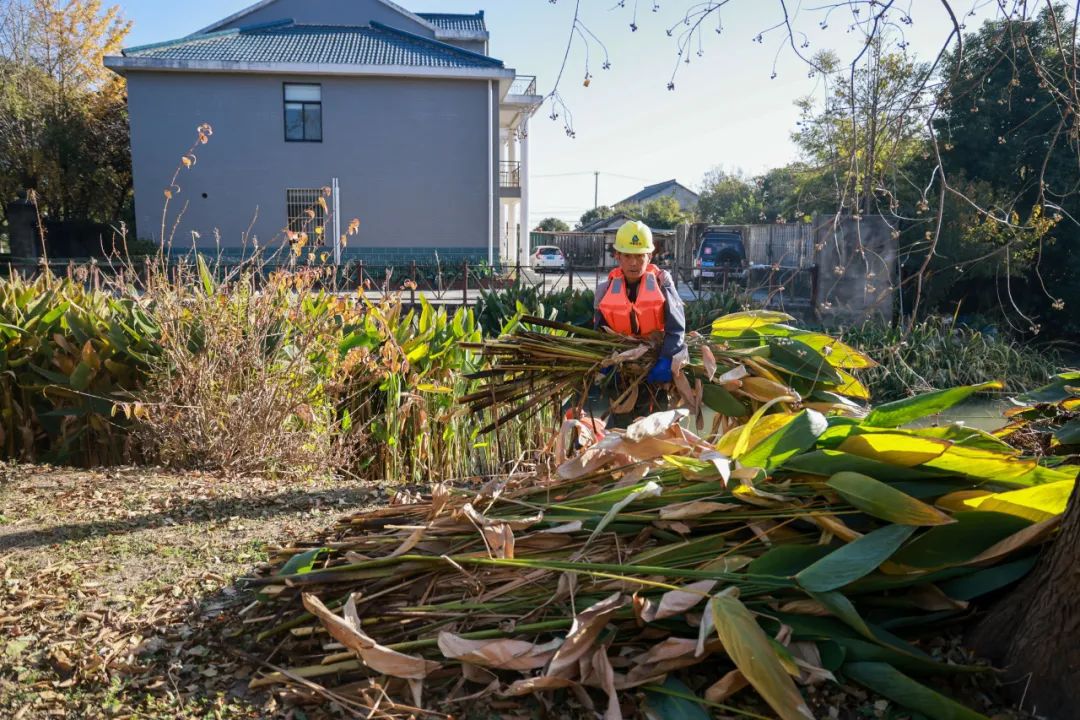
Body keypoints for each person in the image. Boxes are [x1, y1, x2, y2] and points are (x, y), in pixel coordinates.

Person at [593, 220, 687, 424]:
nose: (633, 263)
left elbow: (676, 329)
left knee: (654, 433)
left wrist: (666, 360)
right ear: (617, 256)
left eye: (639, 256)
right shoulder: (604, 290)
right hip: (621, 370)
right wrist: (605, 363)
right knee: (619, 433)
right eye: (627, 256)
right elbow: (599, 333)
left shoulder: (663, 284)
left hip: (655, 368)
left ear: (650, 256)